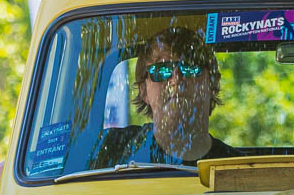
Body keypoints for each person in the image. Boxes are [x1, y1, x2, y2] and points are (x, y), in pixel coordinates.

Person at [89, 26, 235, 168]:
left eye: (190, 67)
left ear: (213, 84)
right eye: (162, 70)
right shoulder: (110, 148)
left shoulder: (236, 168)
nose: (176, 79)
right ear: (143, 90)